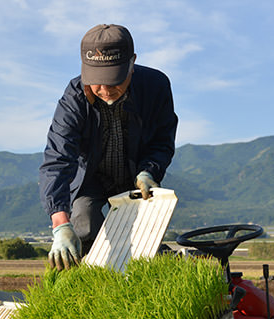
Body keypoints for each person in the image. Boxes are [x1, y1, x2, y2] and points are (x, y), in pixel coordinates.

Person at [39, 24, 178, 270]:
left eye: (113, 81)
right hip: (90, 176)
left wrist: (149, 171)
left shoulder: (155, 87)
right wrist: (60, 223)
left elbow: (162, 140)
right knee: (84, 223)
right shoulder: (74, 99)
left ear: (132, 63)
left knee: (143, 237)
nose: (104, 90)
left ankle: (146, 276)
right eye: (96, 82)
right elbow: (58, 159)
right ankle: (88, 283)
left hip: (135, 171)